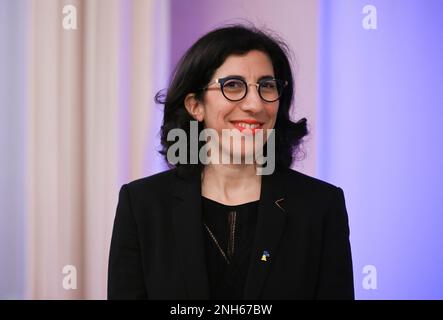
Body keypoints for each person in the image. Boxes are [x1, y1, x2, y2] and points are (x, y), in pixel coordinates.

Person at [107, 24, 354, 300]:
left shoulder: (320, 205)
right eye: (233, 86)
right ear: (195, 106)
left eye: (267, 86)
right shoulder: (142, 204)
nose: (255, 105)